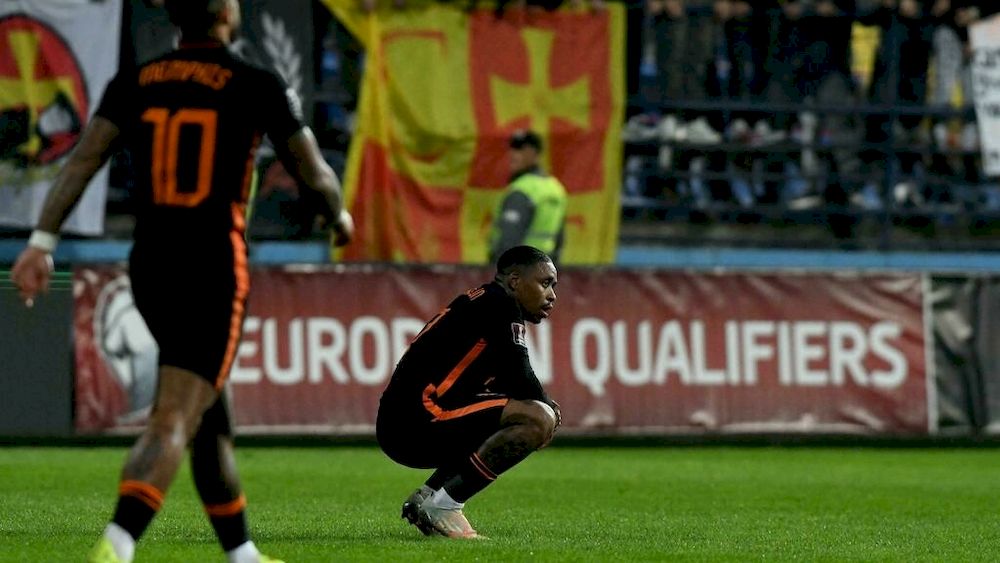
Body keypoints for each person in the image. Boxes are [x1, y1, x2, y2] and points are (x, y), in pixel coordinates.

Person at [10, 1, 354, 562]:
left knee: (210, 416)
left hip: (150, 264)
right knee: (174, 415)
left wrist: (41, 242)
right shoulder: (254, 82)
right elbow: (314, 175)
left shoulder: (137, 80)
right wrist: (338, 218)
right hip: (211, 266)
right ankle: (116, 548)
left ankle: (241, 555)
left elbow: (82, 161)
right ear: (225, 12)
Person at [376, 245, 562, 539]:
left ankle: (429, 497)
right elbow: (521, 375)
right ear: (514, 281)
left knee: (520, 414)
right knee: (536, 418)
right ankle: (446, 505)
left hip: (403, 420)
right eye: (545, 283)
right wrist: (548, 411)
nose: (552, 295)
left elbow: (506, 382)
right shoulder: (501, 305)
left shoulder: (483, 302)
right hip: (418, 419)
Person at [487, 130, 568, 265]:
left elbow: (509, 240)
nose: (513, 155)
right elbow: (559, 239)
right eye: (512, 149)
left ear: (534, 153)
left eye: (520, 150)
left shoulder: (522, 189)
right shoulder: (556, 189)